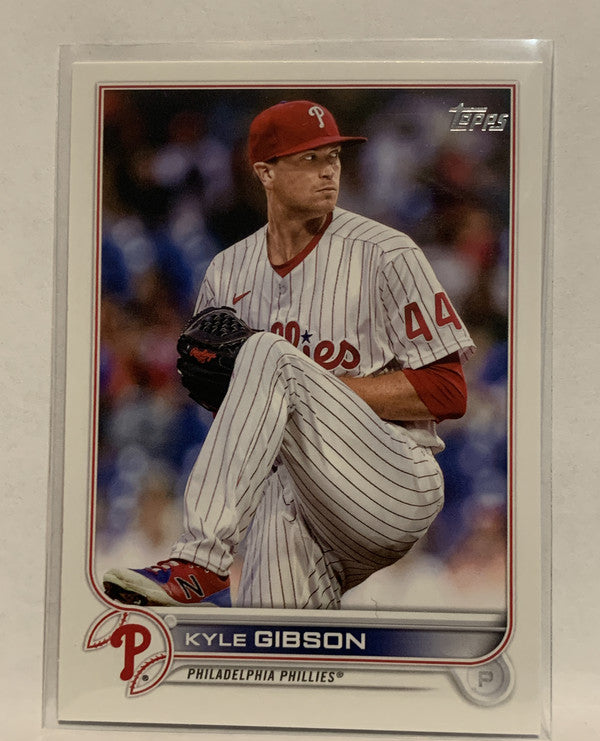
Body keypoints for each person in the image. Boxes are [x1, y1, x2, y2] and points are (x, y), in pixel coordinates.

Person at [103, 99, 475, 610]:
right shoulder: (226, 272)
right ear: (266, 173)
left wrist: (308, 386)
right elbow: (229, 407)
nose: (329, 172)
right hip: (295, 490)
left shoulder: (386, 252)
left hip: (390, 478)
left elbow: (449, 391)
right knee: (274, 634)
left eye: (334, 157)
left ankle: (200, 560)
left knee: (270, 355)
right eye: (309, 159)